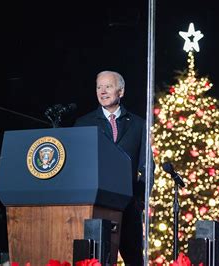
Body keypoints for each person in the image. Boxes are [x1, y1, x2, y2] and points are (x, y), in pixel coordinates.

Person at [74, 70, 153, 265]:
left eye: (108, 86)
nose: (102, 91)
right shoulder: (83, 124)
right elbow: (77, 165)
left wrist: (139, 201)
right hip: (95, 206)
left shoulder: (138, 124)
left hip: (129, 207)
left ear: (121, 91)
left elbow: (147, 166)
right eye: (99, 87)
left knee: (134, 259)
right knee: (96, 259)